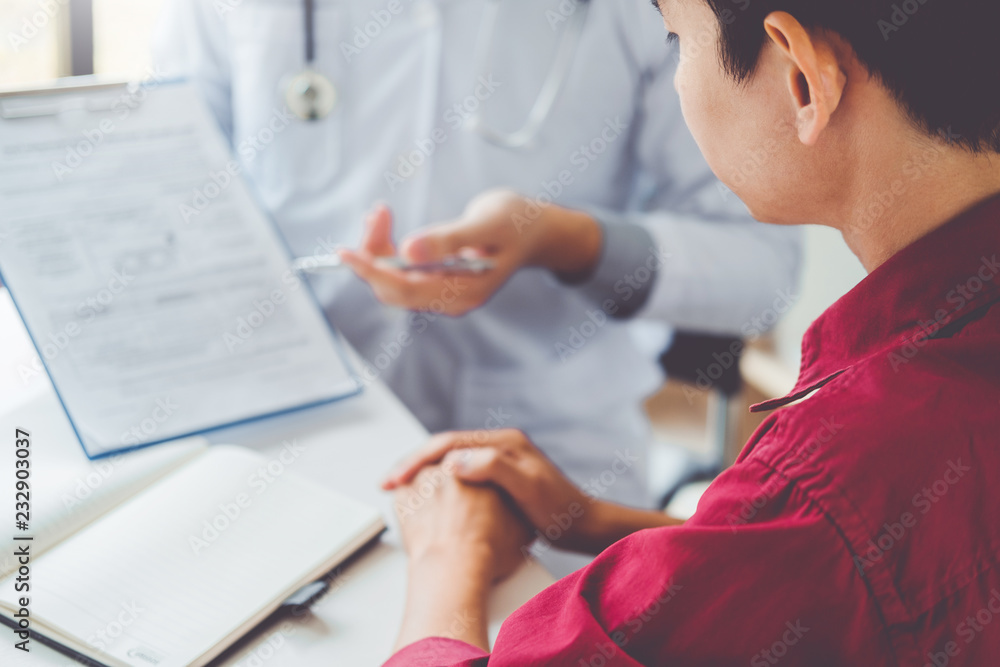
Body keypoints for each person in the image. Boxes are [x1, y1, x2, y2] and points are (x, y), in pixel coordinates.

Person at [378, 0, 1000, 663]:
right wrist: (600, 522)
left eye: (678, 43)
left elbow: (830, 536)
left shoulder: (834, 477)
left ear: (802, 80)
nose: (677, 76)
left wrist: (448, 555)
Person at [153, 0, 802, 523]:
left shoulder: (661, 12)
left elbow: (762, 270)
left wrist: (566, 241)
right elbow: (167, 187)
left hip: (552, 452)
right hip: (288, 430)